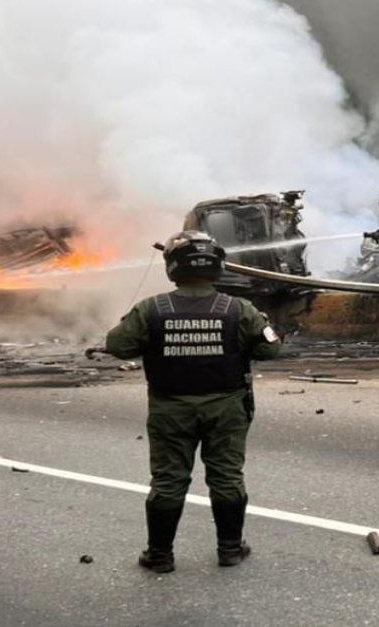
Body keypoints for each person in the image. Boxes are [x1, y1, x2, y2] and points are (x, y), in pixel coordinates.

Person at [103, 231, 281, 573]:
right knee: (227, 478)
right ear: (217, 267)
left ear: (173, 268)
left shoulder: (152, 308)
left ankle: (160, 555)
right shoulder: (237, 308)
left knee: (169, 481)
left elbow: (117, 345)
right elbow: (271, 349)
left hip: (171, 409)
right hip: (227, 408)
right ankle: (230, 549)